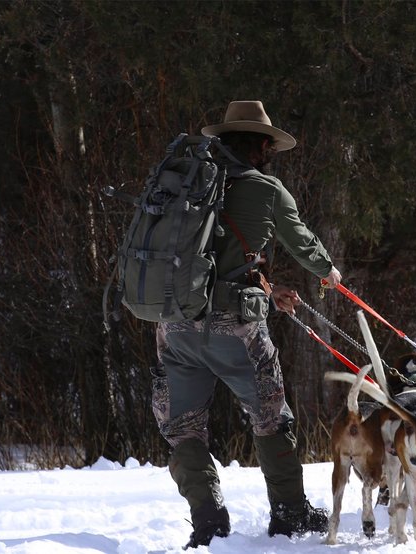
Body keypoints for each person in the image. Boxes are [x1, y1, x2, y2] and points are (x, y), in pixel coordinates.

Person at [150, 100, 342, 549]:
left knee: (183, 426)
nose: (271, 151)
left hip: (174, 325)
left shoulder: (185, 184)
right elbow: (303, 244)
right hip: (234, 330)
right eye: (269, 144)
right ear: (259, 145)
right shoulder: (267, 189)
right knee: (270, 418)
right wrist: (329, 271)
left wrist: (267, 289)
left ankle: (208, 521)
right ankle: (291, 512)